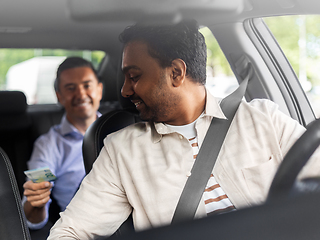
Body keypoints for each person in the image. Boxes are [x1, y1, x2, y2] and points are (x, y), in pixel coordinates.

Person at [47, 20, 320, 239]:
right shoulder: (122, 151)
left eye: (135, 76)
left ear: (176, 72)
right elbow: (69, 232)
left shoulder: (262, 117)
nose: (124, 90)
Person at [22, 57, 103, 230]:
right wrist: (36, 201)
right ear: (59, 96)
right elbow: (33, 218)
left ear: (100, 90)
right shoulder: (47, 146)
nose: (81, 94)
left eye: (87, 85)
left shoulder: (122, 130)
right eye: (71, 88)